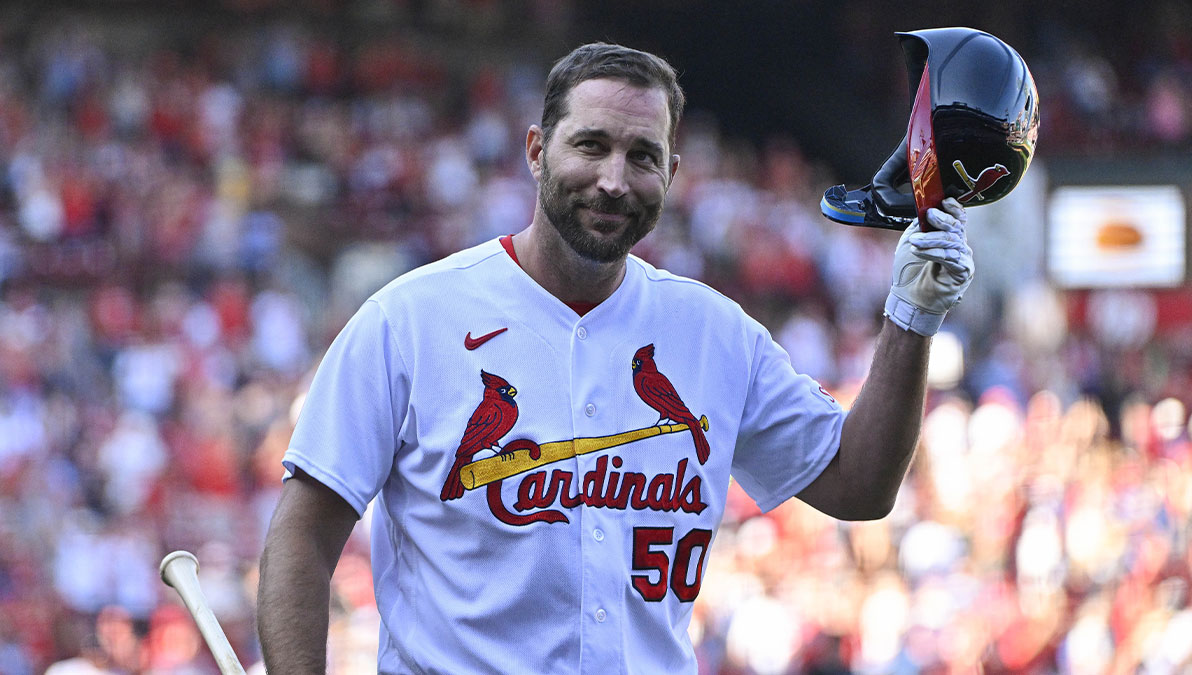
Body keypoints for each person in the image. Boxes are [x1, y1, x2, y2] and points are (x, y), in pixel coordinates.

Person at [256, 41, 974, 673]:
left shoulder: (715, 333)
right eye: (590, 145)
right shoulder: (408, 319)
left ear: (671, 172)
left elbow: (860, 483)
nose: (613, 179)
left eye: (642, 156)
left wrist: (911, 317)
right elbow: (305, 533)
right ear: (537, 150)